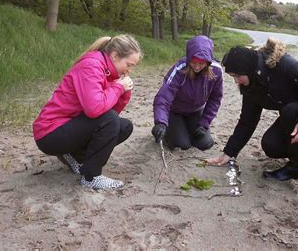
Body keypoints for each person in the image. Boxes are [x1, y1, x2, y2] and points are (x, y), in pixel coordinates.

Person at [206, 38, 298, 181]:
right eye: (232, 77)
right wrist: (228, 153)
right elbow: (247, 122)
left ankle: (296, 169)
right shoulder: (250, 85)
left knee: (290, 111)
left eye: (237, 75)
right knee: (271, 145)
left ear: (247, 68)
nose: (236, 81)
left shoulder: (283, 64)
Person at [33, 35, 142, 190]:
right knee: (111, 120)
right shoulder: (91, 66)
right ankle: (91, 177)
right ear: (115, 56)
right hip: (49, 132)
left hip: (68, 125)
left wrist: (124, 92)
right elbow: (95, 110)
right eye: (129, 64)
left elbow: (110, 114)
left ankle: (74, 156)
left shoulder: (109, 72)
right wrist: (118, 88)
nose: (130, 70)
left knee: (123, 126)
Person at [152, 35, 223, 151]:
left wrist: (205, 123)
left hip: (196, 111)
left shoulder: (216, 71)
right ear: (189, 58)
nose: (197, 67)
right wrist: (160, 122)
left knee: (204, 144)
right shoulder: (180, 68)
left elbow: (215, 99)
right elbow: (163, 97)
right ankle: (171, 131)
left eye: (201, 63)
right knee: (182, 145)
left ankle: (185, 129)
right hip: (174, 112)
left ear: (208, 62)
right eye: (194, 62)